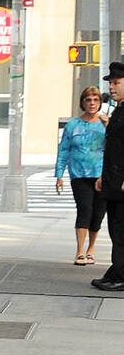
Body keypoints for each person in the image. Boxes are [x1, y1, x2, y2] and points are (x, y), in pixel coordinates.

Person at [55, 85, 107, 266]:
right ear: (82, 103)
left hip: (101, 174)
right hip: (79, 174)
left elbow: (115, 148)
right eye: (88, 100)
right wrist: (59, 174)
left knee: (98, 213)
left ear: (100, 103)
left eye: (96, 100)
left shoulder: (105, 123)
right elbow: (64, 149)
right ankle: (79, 251)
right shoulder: (73, 124)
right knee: (85, 209)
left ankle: (91, 249)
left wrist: (108, 125)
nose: (92, 103)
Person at [91, 61, 124, 291]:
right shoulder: (119, 109)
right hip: (113, 181)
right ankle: (115, 271)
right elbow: (113, 149)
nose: (111, 87)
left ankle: (120, 275)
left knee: (121, 230)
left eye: (116, 83)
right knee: (115, 228)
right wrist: (104, 176)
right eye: (111, 83)